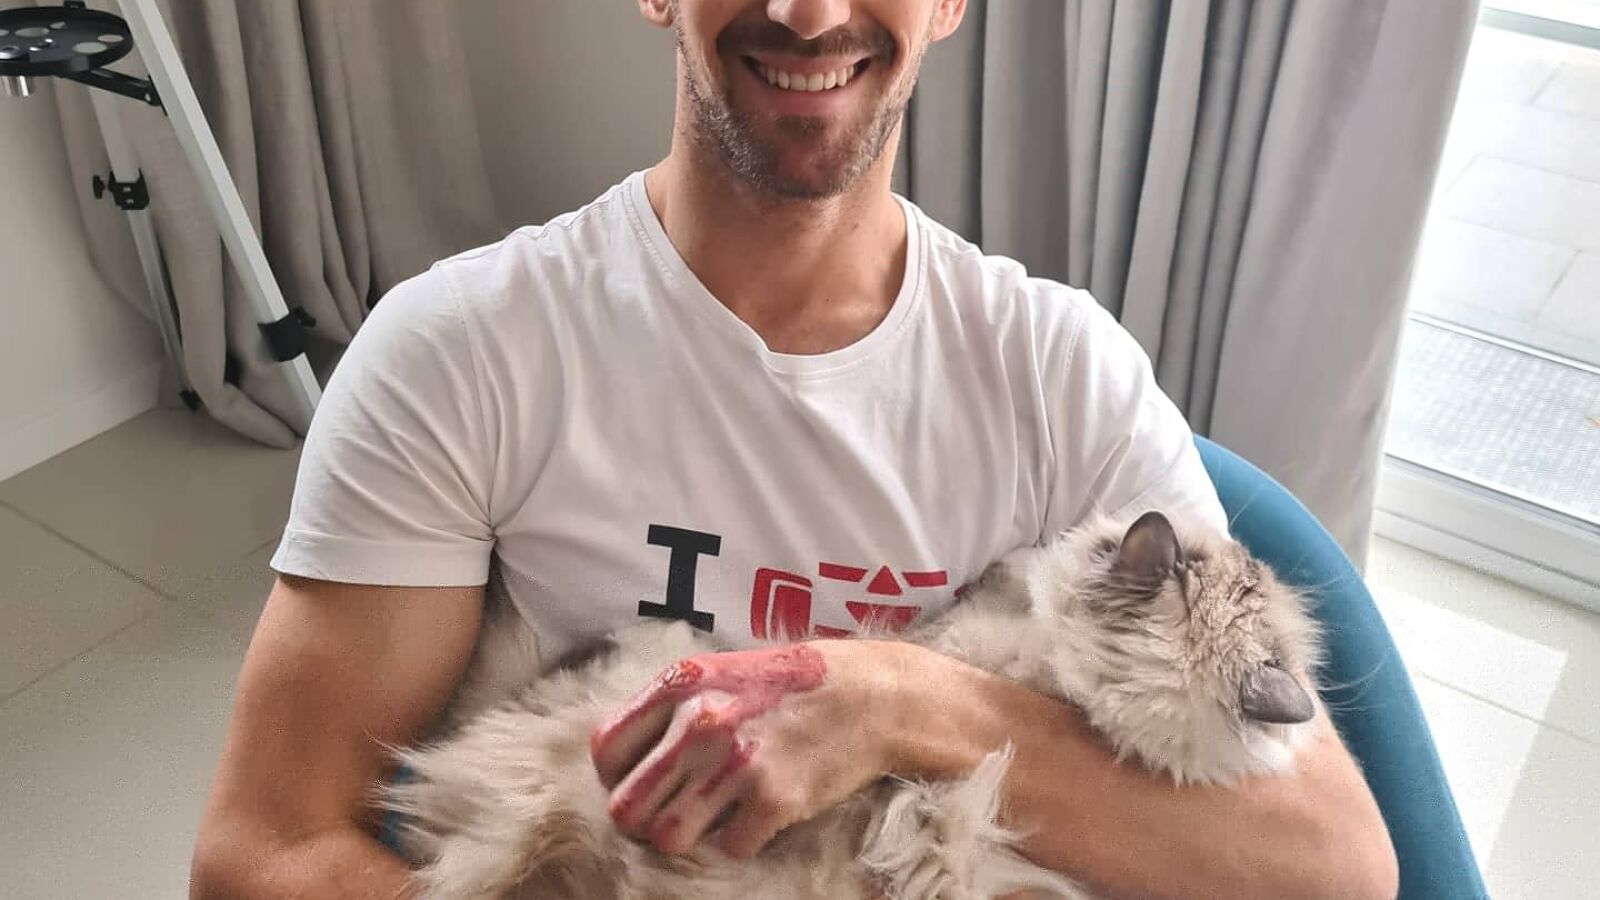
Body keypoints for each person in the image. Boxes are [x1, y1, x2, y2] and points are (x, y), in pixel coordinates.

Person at [190, 1, 1398, 897]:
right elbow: (263, 851)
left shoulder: (1059, 371)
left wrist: (892, 699)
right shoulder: (461, 352)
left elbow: (1333, 863)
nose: (808, 15)